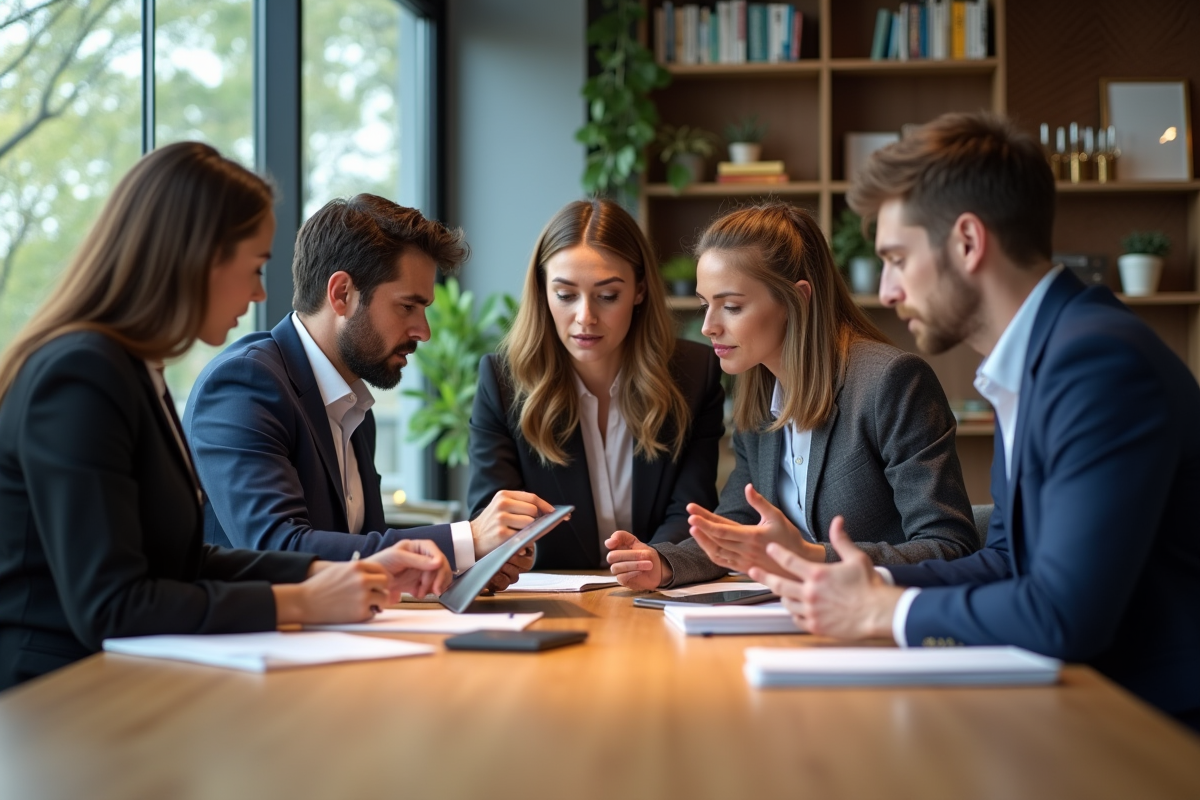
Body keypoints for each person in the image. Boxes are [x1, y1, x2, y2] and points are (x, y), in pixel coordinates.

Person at [750, 112, 1200, 729]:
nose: (886, 290)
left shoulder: (1095, 364)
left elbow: (1063, 615)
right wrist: (860, 580)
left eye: (897, 258)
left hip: (1150, 726)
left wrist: (884, 614)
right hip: (1082, 703)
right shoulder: (1044, 355)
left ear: (967, 242)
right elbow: (1009, 560)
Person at [0, 143, 452, 690]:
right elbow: (113, 606)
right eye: (256, 267)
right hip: (57, 704)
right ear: (197, 258)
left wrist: (330, 573)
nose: (262, 291)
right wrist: (301, 599)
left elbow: (183, 560)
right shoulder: (81, 374)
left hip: (118, 690)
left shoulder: (135, 369)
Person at [184, 194, 552, 591]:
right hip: (254, 644)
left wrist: (465, 566)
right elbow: (278, 549)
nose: (423, 331)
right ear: (342, 294)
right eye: (407, 307)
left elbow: (358, 546)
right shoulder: (244, 384)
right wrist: (468, 540)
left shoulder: (353, 405)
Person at [607, 201, 978, 590]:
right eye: (705, 305)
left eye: (731, 306)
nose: (708, 327)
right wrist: (662, 562)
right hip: (801, 617)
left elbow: (950, 547)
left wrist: (811, 555)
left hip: (884, 624)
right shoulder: (758, 394)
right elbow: (739, 523)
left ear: (797, 298)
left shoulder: (891, 382)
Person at [467, 199, 725, 569]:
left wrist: (653, 562)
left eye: (607, 296)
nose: (585, 317)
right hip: (552, 601)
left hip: (656, 597)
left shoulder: (694, 373)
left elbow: (691, 513)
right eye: (565, 295)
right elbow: (492, 519)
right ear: (542, 291)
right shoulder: (503, 382)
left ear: (639, 290)